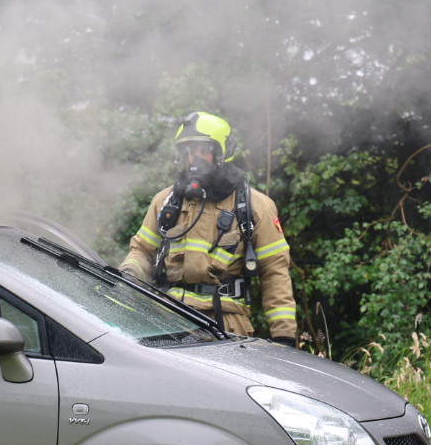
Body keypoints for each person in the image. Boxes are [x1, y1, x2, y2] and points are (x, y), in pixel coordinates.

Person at [119, 112, 298, 343]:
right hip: (170, 321)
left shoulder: (254, 206)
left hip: (226, 326)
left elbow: (274, 273)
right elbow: (142, 250)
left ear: (223, 152)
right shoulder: (166, 202)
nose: (196, 158)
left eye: (204, 149)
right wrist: (129, 275)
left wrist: (284, 336)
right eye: (189, 151)